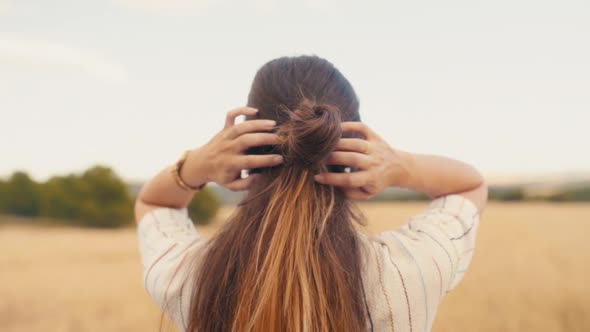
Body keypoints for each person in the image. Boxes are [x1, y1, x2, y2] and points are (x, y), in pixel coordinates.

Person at [134, 55, 488, 332]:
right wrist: (401, 166)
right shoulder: (412, 266)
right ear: (353, 151)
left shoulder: (190, 277)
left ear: (243, 149)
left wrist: (196, 164)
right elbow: (470, 185)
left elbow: (153, 202)